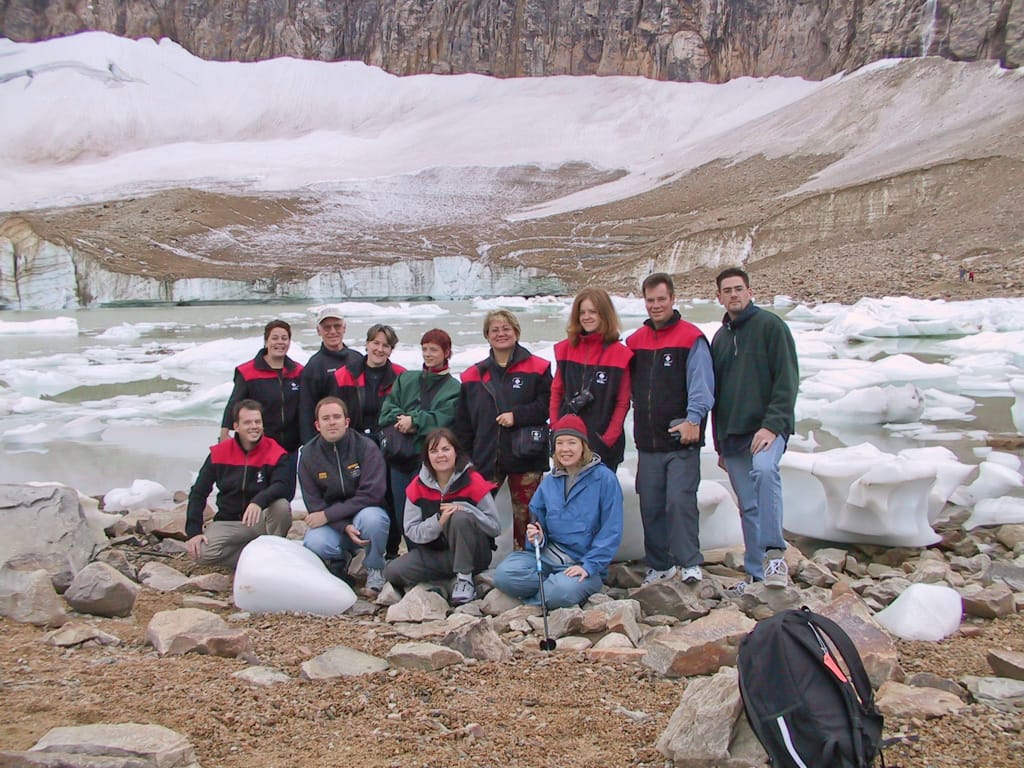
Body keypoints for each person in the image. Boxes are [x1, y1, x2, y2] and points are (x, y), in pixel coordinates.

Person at [711, 267, 799, 589]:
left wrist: (772, 426)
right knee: (747, 505)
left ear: (749, 292)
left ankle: (775, 555)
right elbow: (716, 397)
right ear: (719, 297)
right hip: (733, 436)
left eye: (738, 289)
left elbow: (787, 380)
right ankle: (755, 573)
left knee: (764, 472)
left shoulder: (771, 327)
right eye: (727, 290)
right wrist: (719, 445)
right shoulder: (720, 339)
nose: (733, 295)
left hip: (766, 430)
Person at [626, 272, 714, 586]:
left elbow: (702, 385)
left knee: (680, 502)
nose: (656, 305)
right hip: (648, 442)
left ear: (673, 299)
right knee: (650, 503)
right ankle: (660, 564)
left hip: (681, 438)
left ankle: (689, 562)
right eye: (650, 300)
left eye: (661, 299)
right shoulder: (635, 341)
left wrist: (694, 419)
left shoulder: (691, 337)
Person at [493, 415, 623, 608]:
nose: (565, 449)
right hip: (547, 557)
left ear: (583, 446)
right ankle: (550, 589)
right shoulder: (550, 482)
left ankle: (539, 599)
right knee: (504, 575)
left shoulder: (605, 479)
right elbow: (537, 520)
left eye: (572, 442)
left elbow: (611, 531)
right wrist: (537, 535)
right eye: (560, 443)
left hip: (583, 563)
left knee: (560, 592)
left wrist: (588, 566)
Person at [454, 309, 552, 549]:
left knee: (528, 515)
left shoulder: (538, 367)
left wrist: (517, 416)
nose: (501, 334)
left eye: (506, 329)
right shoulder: (473, 375)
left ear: (516, 333)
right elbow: (463, 422)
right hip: (486, 457)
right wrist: (464, 458)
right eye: (494, 330)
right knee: (476, 511)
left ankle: (526, 560)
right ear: (487, 336)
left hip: (526, 455)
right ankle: (477, 561)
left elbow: (547, 406)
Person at [383, 428, 501, 605]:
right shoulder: (417, 486)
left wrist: (466, 509)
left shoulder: (473, 480)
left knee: (460, 517)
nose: (441, 455)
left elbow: (495, 527)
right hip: (438, 554)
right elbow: (411, 531)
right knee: (392, 571)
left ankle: (464, 579)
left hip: (474, 554)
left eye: (446, 449)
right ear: (427, 456)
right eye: (434, 451)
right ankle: (446, 581)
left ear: (455, 452)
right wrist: (438, 522)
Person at [185, 399, 294, 569]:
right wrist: (194, 532)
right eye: (248, 422)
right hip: (228, 522)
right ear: (236, 426)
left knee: (281, 506)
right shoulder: (219, 453)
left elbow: (283, 485)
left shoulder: (275, 451)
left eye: (258, 422)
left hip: (259, 521)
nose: (254, 426)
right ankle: (253, 558)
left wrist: (258, 501)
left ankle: (271, 555)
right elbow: (199, 492)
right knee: (202, 553)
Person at [299, 397, 390, 594]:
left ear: (346, 421)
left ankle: (375, 567)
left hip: (362, 516)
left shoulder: (366, 447)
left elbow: (372, 494)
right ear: (317, 425)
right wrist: (342, 525)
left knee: (374, 519)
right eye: (326, 418)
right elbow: (314, 504)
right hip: (334, 525)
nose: (332, 422)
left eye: (336, 417)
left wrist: (330, 516)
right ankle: (339, 561)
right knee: (314, 542)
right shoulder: (308, 454)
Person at [378, 329, 461, 542]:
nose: (428, 354)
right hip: (398, 457)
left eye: (434, 349)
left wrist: (414, 421)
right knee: (400, 512)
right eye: (424, 349)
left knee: (426, 512)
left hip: (428, 461)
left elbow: (444, 417)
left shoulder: (454, 388)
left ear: (447, 352)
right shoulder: (406, 379)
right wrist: (402, 420)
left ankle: (429, 558)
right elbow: (387, 411)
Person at [331, 324, 407, 558]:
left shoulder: (401, 375)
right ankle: (353, 549)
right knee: (354, 496)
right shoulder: (345, 374)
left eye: (385, 345)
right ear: (366, 344)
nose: (379, 349)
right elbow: (336, 410)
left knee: (390, 498)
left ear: (391, 350)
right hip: (354, 446)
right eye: (375, 343)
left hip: (388, 448)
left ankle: (391, 551)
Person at [550, 288, 633, 471]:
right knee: (568, 496)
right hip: (567, 443)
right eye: (582, 312)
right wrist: (556, 429)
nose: (587, 317)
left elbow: (622, 402)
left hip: (603, 444)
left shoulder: (620, 354)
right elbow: (557, 391)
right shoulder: (565, 349)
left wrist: (608, 438)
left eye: (593, 311)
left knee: (599, 497)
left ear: (604, 314)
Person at [219, 319, 303, 452]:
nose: (280, 342)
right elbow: (235, 403)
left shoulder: (298, 371)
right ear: (266, 341)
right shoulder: (248, 372)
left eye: (284, 338)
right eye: (274, 338)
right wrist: (224, 432)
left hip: (291, 445)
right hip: (259, 444)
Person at [299, 306, 362, 445]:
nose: (332, 331)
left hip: (359, 437)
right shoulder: (314, 366)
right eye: (327, 327)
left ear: (344, 328)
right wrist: (311, 445)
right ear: (318, 331)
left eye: (337, 326)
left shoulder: (357, 359)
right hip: (330, 440)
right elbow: (306, 409)